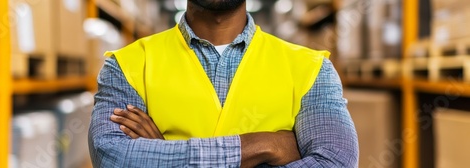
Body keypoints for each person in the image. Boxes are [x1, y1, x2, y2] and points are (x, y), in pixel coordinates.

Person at [88, 0, 358, 167]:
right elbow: (114, 158)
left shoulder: (310, 68)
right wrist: (263, 146)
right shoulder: (127, 64)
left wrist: (163, 154)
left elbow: (336, 161)